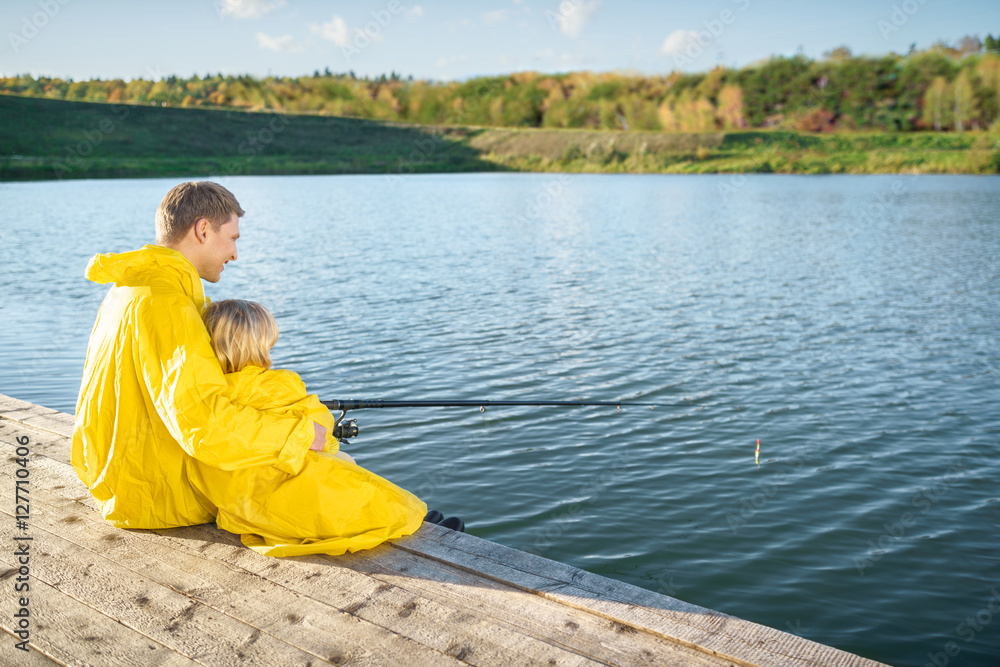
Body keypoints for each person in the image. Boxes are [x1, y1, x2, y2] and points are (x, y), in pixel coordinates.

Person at [70, 181, 453, 554]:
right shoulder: (166, 301)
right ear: (203, 230)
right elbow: (206, 427)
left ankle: (401, 516)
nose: (235, 253)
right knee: (299, 460)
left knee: (297, 450)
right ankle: (403, 520)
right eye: (232, 238)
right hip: (156, 493)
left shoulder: (131, 286)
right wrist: (303, 436)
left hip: (127, 473)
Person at [192, 298, 458, 555]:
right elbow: (322, 432)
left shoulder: (207, 394)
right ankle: (418, 524)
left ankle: (419, 521)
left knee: (353, 476)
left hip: (237, 500)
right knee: (379, 492)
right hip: (282, 489)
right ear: (259, 348)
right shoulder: (279, 384)